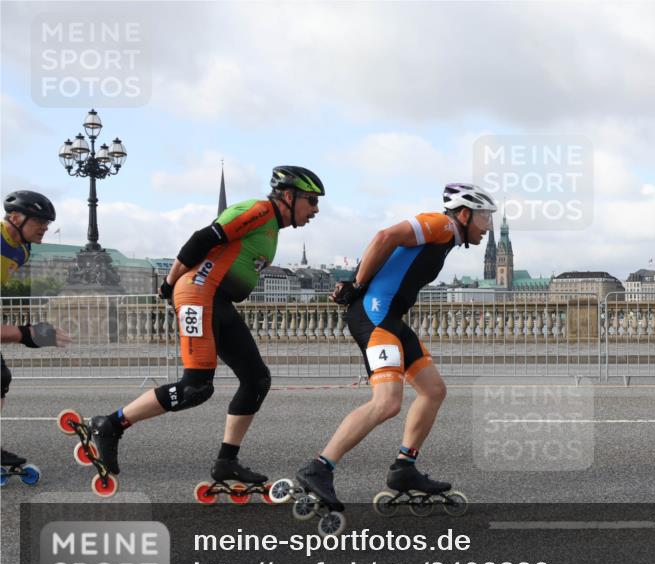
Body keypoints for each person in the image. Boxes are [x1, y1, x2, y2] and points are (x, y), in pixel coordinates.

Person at [87, 166, 325, 489]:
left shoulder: (273, 227)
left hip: (219, 301)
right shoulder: (258, 211)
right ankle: (111, 424)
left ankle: (226, 462)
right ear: (288, 195)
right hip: (199, 292)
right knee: (195, 388)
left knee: (257, 380)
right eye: (311, 200)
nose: (316, 209)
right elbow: (202, 239)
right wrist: (169, 284)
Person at [294, 183, 497, 509]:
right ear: (463, 214)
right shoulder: (440, 225)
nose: (487, 226)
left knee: (433, 390)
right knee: (387, 403)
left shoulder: (448, 239)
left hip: (391, 321)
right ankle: (318, 468)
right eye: (484, 217)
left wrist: (357, 283)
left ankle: (404, 468)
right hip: (375, 319)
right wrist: (357, 284)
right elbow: (384, 237)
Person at [1, 191, 71, 473]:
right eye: (40, 220)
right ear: (15, 218)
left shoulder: (23, 250)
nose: (45, 226)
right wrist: (26, 334)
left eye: (48, 221)